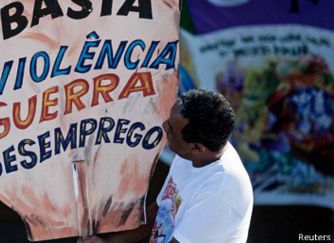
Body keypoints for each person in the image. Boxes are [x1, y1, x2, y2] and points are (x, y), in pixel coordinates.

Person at [80, 89, 253, 243]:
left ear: (197, 147)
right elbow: (160, 212)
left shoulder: (221, 193)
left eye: (171, 128)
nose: (164, 127)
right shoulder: (192, 153)